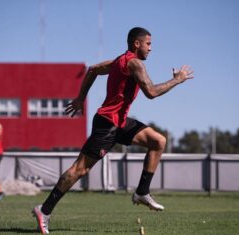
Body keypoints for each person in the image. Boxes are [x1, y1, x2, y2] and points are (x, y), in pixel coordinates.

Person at [32, 27, 194, 234]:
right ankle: (44, 211)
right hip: (107, 124)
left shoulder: (119, 61)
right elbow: (151, 92)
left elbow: (92, 70)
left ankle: (142, 192)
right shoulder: (135, 63)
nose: (151, 49)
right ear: (137, 44)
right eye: (148, 44)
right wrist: (178, 80)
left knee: (158, 142)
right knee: (80, 169)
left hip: (120, 122)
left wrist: (81, 98)